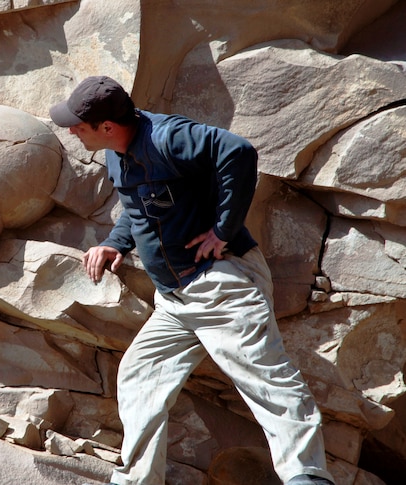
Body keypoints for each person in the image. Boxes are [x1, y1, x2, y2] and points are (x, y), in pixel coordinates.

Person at [49, 76, 335, 485]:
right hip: (174, 298)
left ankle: (308, 477)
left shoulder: (167, 137)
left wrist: (223, 229)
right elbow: (140, 206)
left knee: (268, 381)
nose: (72, 131)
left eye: (79, 125)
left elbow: (238, 152)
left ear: (107, 126)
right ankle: (136, 481)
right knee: (140, 375)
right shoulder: (117, 152)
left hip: (220, 285)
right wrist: (115, 243)